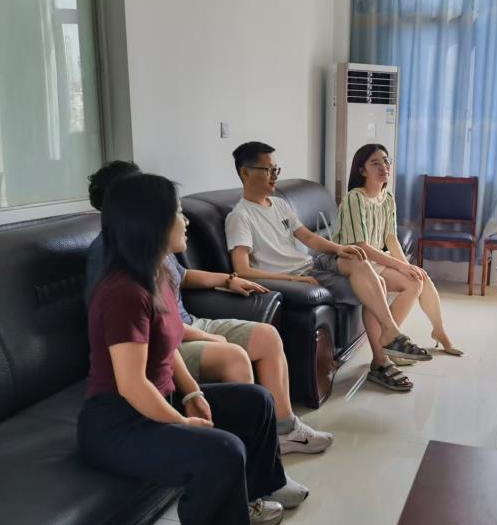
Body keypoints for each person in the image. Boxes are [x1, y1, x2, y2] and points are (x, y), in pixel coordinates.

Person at [78, 173, 309, 525]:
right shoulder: (123, 293)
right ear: (152, 223)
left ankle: (256, 494)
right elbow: (131, 385)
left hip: (155, 401)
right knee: (222, 451)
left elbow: (167, 351)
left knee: (256, 401)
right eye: (178, 213)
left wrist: (194, 392)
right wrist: (180, 422)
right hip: (117, 425)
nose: (185, 222)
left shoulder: (158, 276)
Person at [84, 162, 334, 455]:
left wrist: (229, 279)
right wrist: (200, 338)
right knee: (234, 357)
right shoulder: (113, 262)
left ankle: (284, 428)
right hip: (167, 340)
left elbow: (183, 276)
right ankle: (245, 448)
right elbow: (136, 328)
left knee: (267, 337)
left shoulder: (152, 247)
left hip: (188, 324)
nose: (182, 219)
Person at [225, 141, 431, 394]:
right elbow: (243, 270)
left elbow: (308, 237)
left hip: (312, 263)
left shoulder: (278, 204)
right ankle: (382, 358)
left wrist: (339, 249)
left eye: (276, 170)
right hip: (295, 275)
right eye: (268, 170)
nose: (274, 176)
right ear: (245, 172)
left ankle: (389, 334)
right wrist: (293, 281)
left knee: (358, 260)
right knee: (375, 284)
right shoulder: (240, 217)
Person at [332, 143, 463, 388]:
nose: (384, 167)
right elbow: (360, 245)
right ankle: (382, 354)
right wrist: (400, 266)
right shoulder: (354, 198)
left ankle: (417, 335)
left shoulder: (387, 198)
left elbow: (391, 239)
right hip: (353, 259)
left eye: (386, 161)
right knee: (384, 285)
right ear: (362, 170)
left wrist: (406, 266)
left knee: (416, 279)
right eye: (375, 163)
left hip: (374, 258)